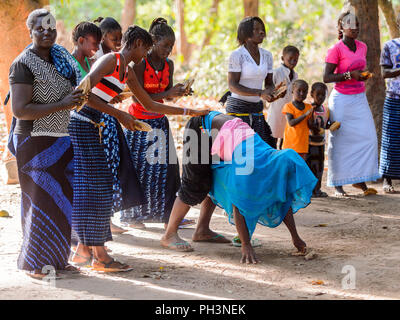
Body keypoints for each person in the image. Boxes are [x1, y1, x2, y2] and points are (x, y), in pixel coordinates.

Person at [70, 25, 209, 272]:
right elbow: (81, 93)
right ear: (136, 44)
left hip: (98, 125)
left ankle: (84, 251)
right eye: (145, 49)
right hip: (82, 124)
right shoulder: (110, 60)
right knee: (98, 188)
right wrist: (120, 115)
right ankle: (97, 255)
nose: (146, 55)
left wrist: (191, 111)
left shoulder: (128, 72)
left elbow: (151, 104)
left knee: (100, 187)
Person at [161, 111, 316, 263]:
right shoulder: (251, 168)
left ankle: (202, 230)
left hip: (226, 134)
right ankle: (169, 234)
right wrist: (246, 244)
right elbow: (238, 203)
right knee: (193, 185)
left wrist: (295, 237)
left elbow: (283, 201)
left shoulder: (273, 163)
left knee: (217, 179)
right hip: (201, 129)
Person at [8, 9, 85, 279]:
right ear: (30, 30)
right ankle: (34, 263)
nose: (47, 32)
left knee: (63, 203)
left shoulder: (61, 59)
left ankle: (58, 260)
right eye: (40, 28)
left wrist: (76, 98)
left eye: (51, 28)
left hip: (62, 140)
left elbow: (74, 88)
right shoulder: (22, 64)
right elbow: (20, 109)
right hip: (34, 142)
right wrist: (62, 104)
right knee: (39, 202)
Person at [119, 18, 194, 230]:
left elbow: (166, 98)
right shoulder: (139, 64)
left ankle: (169, 215)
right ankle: (133, 216)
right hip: (140, 123)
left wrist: (177, 93)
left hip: (159, 121)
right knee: (142, 170)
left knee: (168, 169)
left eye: (171, 47)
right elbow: (137, 98)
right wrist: (167, 94)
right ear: (153, 41)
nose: (168, 51)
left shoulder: (168, 65)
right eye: (165, 46)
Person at [323, 11, 380, 197]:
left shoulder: (362, 47)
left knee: (368, 138)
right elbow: (326, 77)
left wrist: (363, 75)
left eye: (357, 24)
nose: (355, 28)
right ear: (341, 27)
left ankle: (359, 179)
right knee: (339, 141)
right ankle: (338, 183)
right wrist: (349, 75)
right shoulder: (336, 49)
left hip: (359, 98)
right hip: (341, 99)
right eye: (350, 24)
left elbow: (359, 69)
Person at [227, 16, 277, 149]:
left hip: (257, 111)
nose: (261, 32)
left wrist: (274, 93)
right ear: (245, 33)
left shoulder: (267, 55)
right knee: (240, 152)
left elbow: (269, 83)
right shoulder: (237, 55)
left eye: (262, 29)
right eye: (256, 29)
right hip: (238, 111)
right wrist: (260, 93)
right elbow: (232, 86)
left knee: (260, 151)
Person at [379, 14, 400, 193]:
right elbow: (384, 73)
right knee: (390, 140)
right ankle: (387, 180)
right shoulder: (390, 46)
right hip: (394, 98)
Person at [306, 82, 338, 198]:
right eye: (318, 94)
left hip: (320, 144)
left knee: (319, 167)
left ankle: (317, 189)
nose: (320, 97)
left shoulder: (326, 110)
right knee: (309, 167)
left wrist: (332, 125)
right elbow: (307, 123)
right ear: (312, 94)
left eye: (323, 95)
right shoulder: (309, 109)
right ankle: (309, 191)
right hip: (309, 143)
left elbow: (326, 124)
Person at [267, 45, 300, 149]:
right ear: (282, 58)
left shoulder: (295, 75)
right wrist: (278, 92)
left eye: (295, 60)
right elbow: (268, 92)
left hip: (288, 112)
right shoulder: (276, 72)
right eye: (290, 59)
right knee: (272, 138)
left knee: (285, 139)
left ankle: (281, 160)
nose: (293, 62)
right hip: (276, 111)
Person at [282, 79, 313, 160]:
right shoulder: (288, 106)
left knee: (300, 167)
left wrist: (313, 115)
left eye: (304, 91)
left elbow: (310, 125)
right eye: (299, 91)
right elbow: (291, 123)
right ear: (292, 90)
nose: (301, 93)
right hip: (290, 145)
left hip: (303, 145)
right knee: (288, 167)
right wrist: (305, 114)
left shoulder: (308, 107)